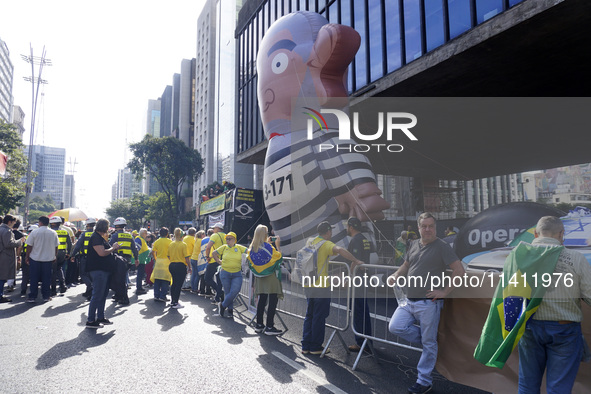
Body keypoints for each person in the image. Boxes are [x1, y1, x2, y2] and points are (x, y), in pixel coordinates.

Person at [387, 213, 464, 394]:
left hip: (429, 303)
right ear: (419, 227)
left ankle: (424, 380)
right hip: (408, 300)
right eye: (424, 226)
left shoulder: (442, 246)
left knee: (429, 343)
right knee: (395, 327)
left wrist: (444, 292)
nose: (428, 229)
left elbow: (459, 270)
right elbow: (405, 266)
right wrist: (395, 275)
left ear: (435, 228)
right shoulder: (413, 244)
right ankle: (432, 344)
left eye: (431, 226)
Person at [515, 216, 591, 393]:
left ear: (535, 233)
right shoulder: (576, 258)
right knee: (559, 388)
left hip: (528, 327)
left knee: (527, 384)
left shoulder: (519, 256)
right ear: (562, 234)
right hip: (565, 330)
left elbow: (509, 295)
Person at [301, 221, 363, 355]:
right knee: (319, 316)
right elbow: (340, 250)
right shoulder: (326, 244)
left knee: (309, 314)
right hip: (321, 286)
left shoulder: (310, 241)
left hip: (308, 283)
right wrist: (355, 260)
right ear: (328, 232)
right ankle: (316, 347)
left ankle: (305, 345)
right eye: (331, 231)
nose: (332, 233)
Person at [248, 225, 284, 335]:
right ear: (265, 234)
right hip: (271, 277)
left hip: (259, 277)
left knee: (262, 301)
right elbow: (278, 258)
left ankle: (259, 325)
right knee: (272, 300)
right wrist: (277, 245)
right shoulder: (268, 247)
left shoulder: (252, 248)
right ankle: (269, 326)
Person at [346, 217, 374, 352]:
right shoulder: (364, 239)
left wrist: (349, 277)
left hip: (357, 280)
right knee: (364, 310)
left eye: (347, 226)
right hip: (364, 278)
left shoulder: (355, 240)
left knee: (357, 311)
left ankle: (360, 342)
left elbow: (355, 261)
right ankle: (368, 340)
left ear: (351, 227)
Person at [86, 218, 120, 328]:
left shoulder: (99, 238)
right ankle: (91, 320)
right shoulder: (96, 237)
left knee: (103, 294)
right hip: (98, 270)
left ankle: (100, 317)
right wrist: (113, 248)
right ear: (104, 227)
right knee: (97, 295)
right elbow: (101, 253)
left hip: (103, 270)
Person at [212, 232, 247, 318]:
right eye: (227, 239)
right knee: (228, 292)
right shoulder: (224, 247)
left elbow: (249, 251)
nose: (227, 241)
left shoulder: (239, 247)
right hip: (225, 273)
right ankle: (230, 310)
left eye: (229, 239)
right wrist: (219, 261)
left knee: (235, 291)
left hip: (237, 273)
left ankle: (222, 305)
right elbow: (214, 253)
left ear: (234, 239)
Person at [25, 216, 59, 303]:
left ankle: (32, 296)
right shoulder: (53, 233)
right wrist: (55, 256)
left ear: (40, 222)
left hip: (35, 259)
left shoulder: (34, 232)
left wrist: (27, 256)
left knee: (34, 278)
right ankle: (46, 296)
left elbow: (29, 246)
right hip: (48, 259)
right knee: (47, 279)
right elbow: (56, 246)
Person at [109, 217, 138, 305]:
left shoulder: (115, 235)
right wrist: (136, 259)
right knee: (122, 278)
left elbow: (110, 247)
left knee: (119, 279)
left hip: (118, 259)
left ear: (116, 226)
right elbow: (134, 248)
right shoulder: (129, 235)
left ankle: (124, 298)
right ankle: (118, 295)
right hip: (127, 259)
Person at [0, 214, 24, 303]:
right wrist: (19, 242)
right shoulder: (7, 231)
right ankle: (0, 295)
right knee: (2, 277)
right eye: (14, 222)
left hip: (2, 255)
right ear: (10, 222)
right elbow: (8, 244)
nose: (14, 224)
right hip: (5, 256)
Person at [70, 218, 97, 299]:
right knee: (91, 275)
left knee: (83, 274)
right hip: (95, 258)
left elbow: (78, 246)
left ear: (87, 225)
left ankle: (90, 286)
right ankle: (89, 291)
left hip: (85, 257)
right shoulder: (97, 234)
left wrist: (73, 255)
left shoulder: (84, 234)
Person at [167, 228, 191, 309]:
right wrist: (189, 267)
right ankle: (175, 302)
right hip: (180, 265)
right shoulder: (183, 244)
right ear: (181, 236)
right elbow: (187, 258)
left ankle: (173, 300)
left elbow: (168, 256)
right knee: (178, 285)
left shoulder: (171, 244)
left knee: (174, 283)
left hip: (172, 264)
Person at [49, 216, 71, 296]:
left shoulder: (50, 232)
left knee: (53, 272)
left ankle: (53, 290)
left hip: (53, 253)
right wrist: (68, 253)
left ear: (53, 223)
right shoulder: (65, 232)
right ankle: (63, 286)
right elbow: (70, 243)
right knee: (59, 269)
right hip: (62, 253)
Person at [204, 222, 226, 304]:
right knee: (219, 280)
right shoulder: (227, 236)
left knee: (207, 278)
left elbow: (208, 247)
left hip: (214, 260)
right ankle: (218, 296)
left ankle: (219, 293)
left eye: (214, 228)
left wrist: (207, 257)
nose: (213, 230)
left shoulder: (215, 235)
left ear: (217, 228)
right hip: (223, 261)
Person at [151, 227, 172, 302]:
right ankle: (163, 296)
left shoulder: (157, 241)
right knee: (165, 280)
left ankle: (156, 295)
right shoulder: (170, 241)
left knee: (157, 280)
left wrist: (156, 258)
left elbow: (153, 252)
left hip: (159, 262)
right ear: (167, 234)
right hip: (167, 262)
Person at [134, 228, 151, 295]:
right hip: (140, 259)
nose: (146, 235)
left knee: (140, 275)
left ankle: (139, 287)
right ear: (143, 233)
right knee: (140, 275)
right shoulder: (139, 239)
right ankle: (139, 288)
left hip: (141, 259)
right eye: (146, 233)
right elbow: (137, 249)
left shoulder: (141, 239)